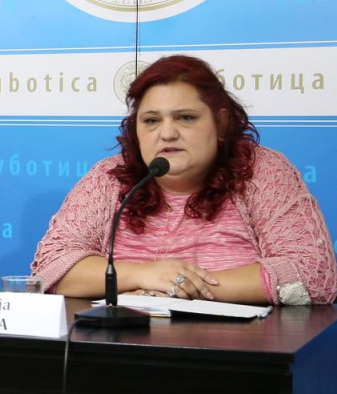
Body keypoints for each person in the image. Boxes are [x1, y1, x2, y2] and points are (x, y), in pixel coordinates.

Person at [32, 55, 336, 305]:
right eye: (151, 120)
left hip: (237, 351)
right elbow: (51, 268)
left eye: (185, 117)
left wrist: (178, 288)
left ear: (221, 124)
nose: (167, 133)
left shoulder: (262, 172)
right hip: (121, 350)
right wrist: (143, 274)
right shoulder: (109, 179)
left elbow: (313, 276)